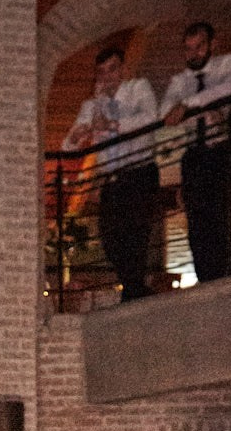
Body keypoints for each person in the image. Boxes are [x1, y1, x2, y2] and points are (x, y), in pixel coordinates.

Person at [64, 46, 163, 302]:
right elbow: (68, 145)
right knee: (110, 237)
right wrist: (83, 129)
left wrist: (112, 124)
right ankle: (132, 289)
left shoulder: (137, 89)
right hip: (112, 178)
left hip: (139, 170)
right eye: (102, 72)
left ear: (122, 70)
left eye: (112, 69)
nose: (107, 77)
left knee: (136, 233)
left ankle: (133, 292)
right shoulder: (92, 104)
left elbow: (151, 117)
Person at [161, 22, 231, 283]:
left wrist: (189, 105)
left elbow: (227, 90)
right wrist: (198, 106)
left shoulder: (227, 64)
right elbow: (166, 112)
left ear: (212, 45)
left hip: (220, 147)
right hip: (193, 153)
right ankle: (205, 277)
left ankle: (222, 275)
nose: (194, 53)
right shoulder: (179, 81)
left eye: (199, 47)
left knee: (219, 213)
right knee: (196, 220)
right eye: (189, 49)